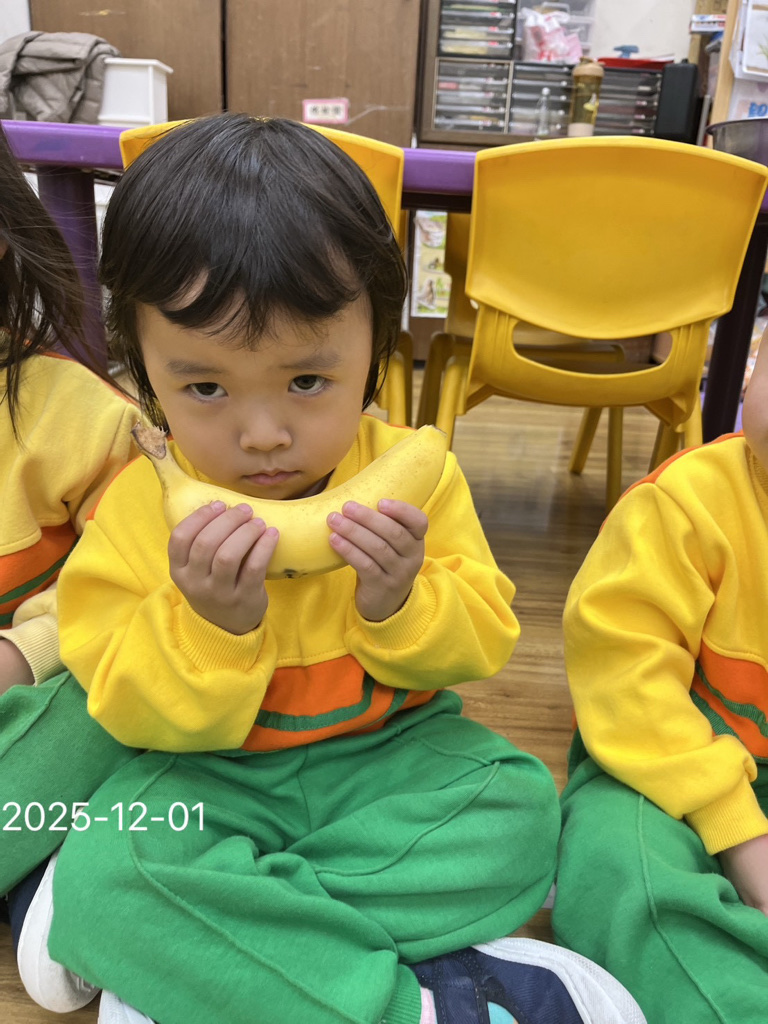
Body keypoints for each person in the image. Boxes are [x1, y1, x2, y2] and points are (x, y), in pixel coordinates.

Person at [13, 113, 643, 1024]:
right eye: (205, 387)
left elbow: (483, 643)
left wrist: (400, 601)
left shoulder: (412, 480)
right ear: (144, 372)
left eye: (306, 382)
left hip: (393, 759)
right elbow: (122, 708)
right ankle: (422, 1001)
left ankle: (213, 952)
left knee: (519, 813)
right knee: (124, 868)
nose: (263, 433)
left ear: (376, 349)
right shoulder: (141, 509)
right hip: (215, 779)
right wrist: (209, 629)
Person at [553, 356, 768, 1023]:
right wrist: (742, 837)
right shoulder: (685, 506)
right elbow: (624, 676)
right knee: (619, 866)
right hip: (659, 776)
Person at [0, 120, 140, 986]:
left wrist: (28, 649)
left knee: (107, 707)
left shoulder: (77, 414)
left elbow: (129, 568)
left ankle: (68, 866)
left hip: (52, 681)